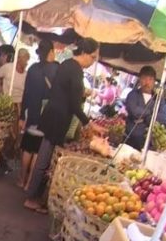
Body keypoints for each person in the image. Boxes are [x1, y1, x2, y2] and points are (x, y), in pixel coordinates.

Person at [24, 38, 104, 213]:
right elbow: (75, 103)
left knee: (44, 159)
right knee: (44, 160)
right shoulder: (75, 71)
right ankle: (31, 197)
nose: (93, 61)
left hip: (53, 116)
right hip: (57, 119)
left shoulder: (67, 64)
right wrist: (89, 123)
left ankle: (34, 195)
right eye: (92, 57)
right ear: (83, 53)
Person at [18, 39, 59, 189]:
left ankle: (21, 179)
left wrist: (22, 116)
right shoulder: (56, 69)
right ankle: (29, 183)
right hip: (46, 116)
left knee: (28, 147)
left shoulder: (33, 69)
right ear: (50, 52)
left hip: (32, 113)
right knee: (37, 151)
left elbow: (26, 93)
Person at [124, 65, 165, 151]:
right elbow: (134, 111)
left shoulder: (158, 99)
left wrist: (144, 117)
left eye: (150, 79)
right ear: (140, 79)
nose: (147, 82)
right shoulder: (132, 95)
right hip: (129, 139)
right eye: (144, 78)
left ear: (154, 81)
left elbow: (161, 118)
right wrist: (150, 113)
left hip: (148, 144)